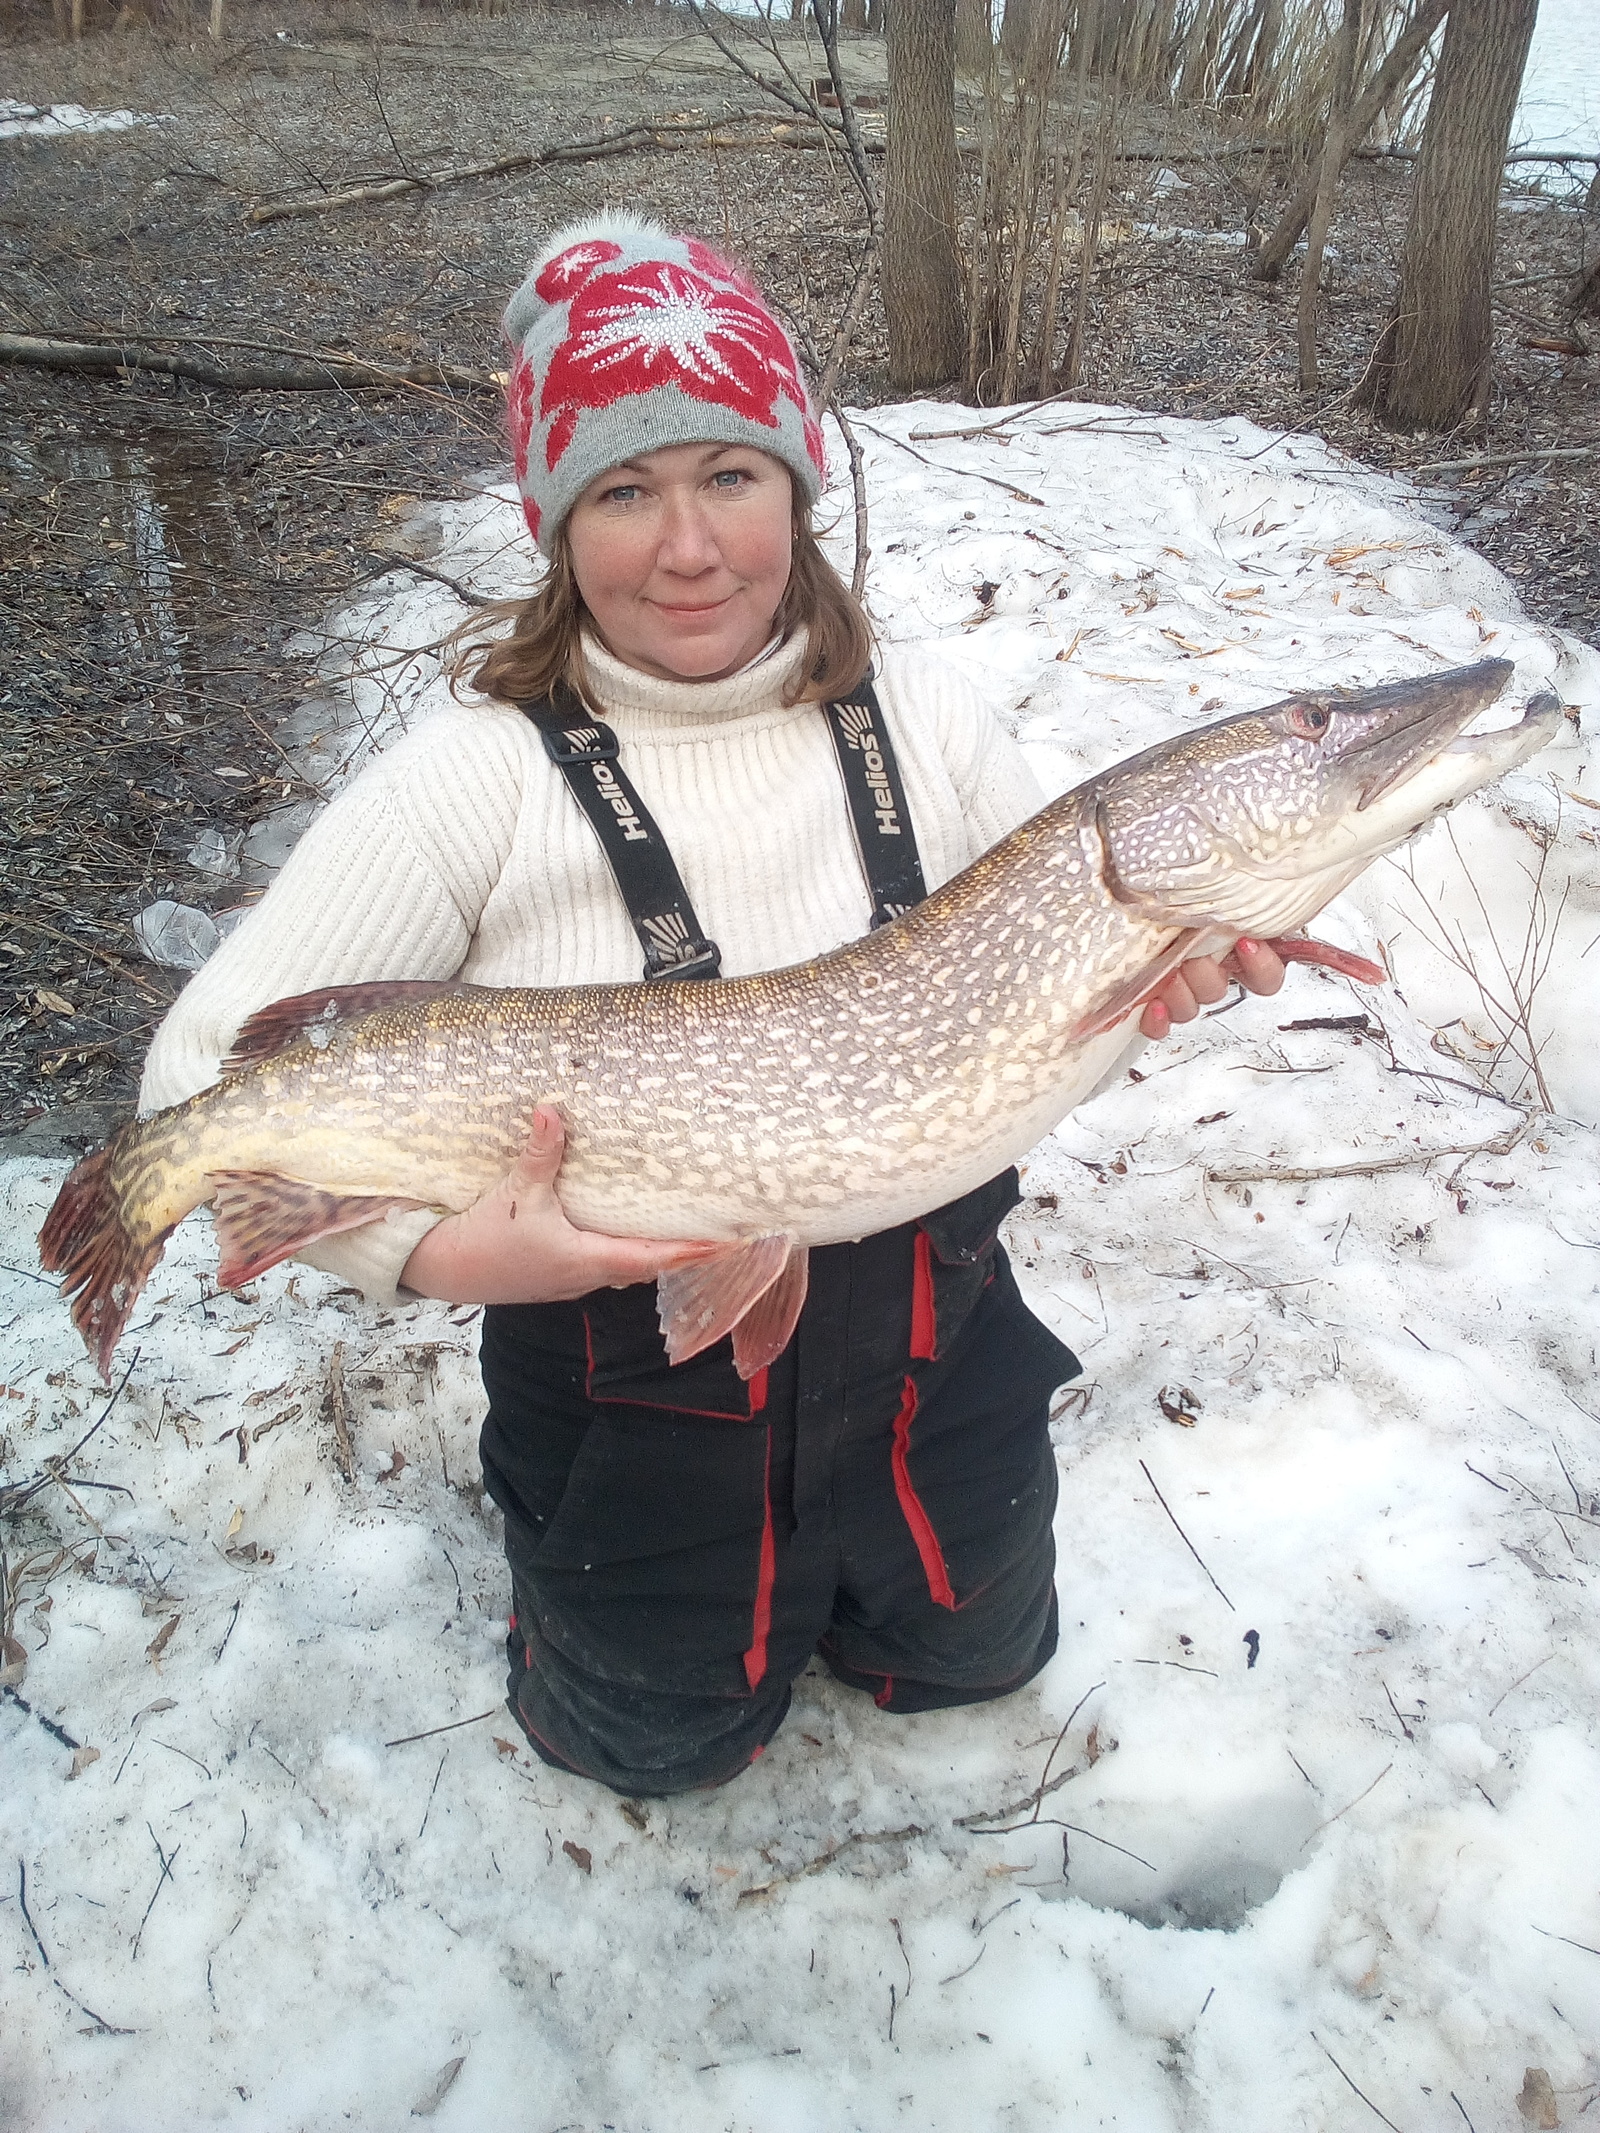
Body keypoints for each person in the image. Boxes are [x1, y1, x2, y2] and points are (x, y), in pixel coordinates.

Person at [141, 214, 1284, 1796]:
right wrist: (445, 1253)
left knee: (973, 1660)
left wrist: (1171, 977)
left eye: (730, 477)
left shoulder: (928, 723)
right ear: (554, 523)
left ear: (799, 488)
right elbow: (202, 1082)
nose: (689, 546)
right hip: (630, 1423)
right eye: (624, 490)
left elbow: (1046, 996)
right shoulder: (470, 786)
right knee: (650, 1748)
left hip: (932, 1373)